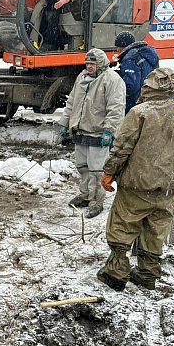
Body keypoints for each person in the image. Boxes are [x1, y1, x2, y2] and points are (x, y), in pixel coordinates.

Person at [97, 67, 174, 291]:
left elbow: (123, 146)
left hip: (139, 182)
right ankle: (147, 274)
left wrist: (109, 172)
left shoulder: (140, 112)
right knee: (156, 230)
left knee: (123, 225)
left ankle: (115, 273)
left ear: (148, 88)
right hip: (169, 186)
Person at [56, 48, 126, 219]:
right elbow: (72, 102)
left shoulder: (112, 80)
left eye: (92, 63)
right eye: (87, 63)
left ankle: (97, 201)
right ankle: (86, 195)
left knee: (97, 170)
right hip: (81, 130)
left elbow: (116, 108)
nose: (89, 66)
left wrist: (110, 130)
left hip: (98, 132)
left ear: (100, 64)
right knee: (82, 166)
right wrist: (65, 122)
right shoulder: (81, 78)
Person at [114, 31, 160, 113]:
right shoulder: (148, 55)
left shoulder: (130, 58)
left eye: (118, 47)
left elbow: (130, 85)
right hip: (149, 99)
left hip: (135, 103)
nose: (117, 50)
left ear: (123, 46)